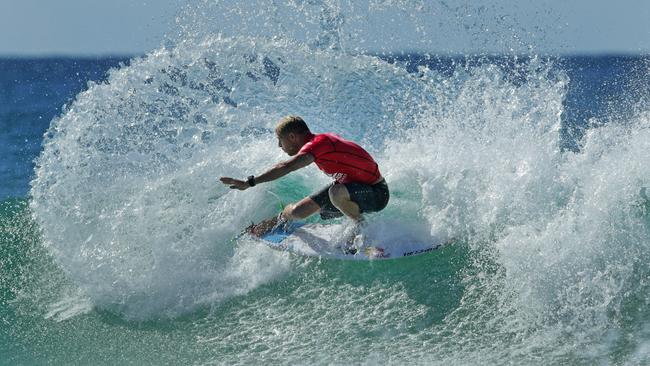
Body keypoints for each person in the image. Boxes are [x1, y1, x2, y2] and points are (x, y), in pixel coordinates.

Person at [220, 115, 389, 244]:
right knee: (297, 212)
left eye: (280, 141)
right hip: (349, 188)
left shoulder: (320, 143)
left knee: (335, 192)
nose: (280, 146)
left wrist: (250, 182)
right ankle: (268, 225)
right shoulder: (320, 144)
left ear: (292, 137)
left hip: (377, 192)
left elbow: (286, 167)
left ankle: (360, 227)